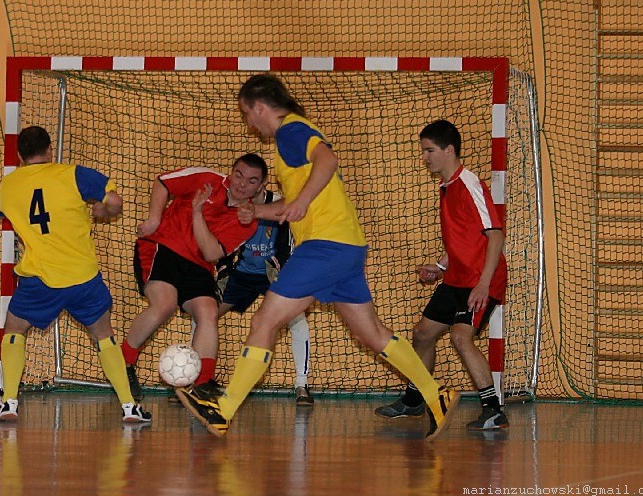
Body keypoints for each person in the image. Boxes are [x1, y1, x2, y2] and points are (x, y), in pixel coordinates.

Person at [177, 74, 459, 440]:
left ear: (260, 107)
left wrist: (302, 201)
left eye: (247, 113)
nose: (249, 123)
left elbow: (327, 160)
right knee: (372, 333)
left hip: (324, 246)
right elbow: (294, 202)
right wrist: (257, 212)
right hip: (346, 246)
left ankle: (223, 410)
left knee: (264, 321)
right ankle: (436, 394)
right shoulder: (294, 133)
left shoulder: (290, 131)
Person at [0, 125, 151, 423]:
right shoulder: (74, 174)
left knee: (14, 330)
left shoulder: (5, 187)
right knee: (104, 336)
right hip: (82, 277)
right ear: (50, 150)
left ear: (19, 156)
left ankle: (9, 403)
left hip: (39, 278)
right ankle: (129, 407)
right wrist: (102, 210)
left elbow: (0, 211)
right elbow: (115, 202)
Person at [375, 119, 509, 430]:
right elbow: (465, 239)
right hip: (456, 279)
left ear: (449, 150)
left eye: (429, 150)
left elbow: (495, 236)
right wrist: (441, 267)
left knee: (461, 337)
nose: (424, 157)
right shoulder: (446, 187)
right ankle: (414, 401)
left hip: (482, 280)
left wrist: (483, 285)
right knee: (422, 333)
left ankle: (493, 410)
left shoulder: (470, 185)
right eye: (423, 151)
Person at [120, 154, 267, 400]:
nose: (242, 184)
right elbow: (163, 182)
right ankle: (124, 362)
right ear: (231, 172)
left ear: (261, 186)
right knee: (165, 305)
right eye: (238, 175)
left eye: (252, 181)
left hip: (199, 263)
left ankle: (202, 383)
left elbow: (211, 253)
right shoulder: (206, 179)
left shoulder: (247, 221)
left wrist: (197, 213)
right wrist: (155, 218)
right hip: (163, 247)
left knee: (208, 312)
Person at [191, 186, 314, 406]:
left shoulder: (278, 204)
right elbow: (224, 245)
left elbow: (287, 246)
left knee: (297, 320)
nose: (246, 186)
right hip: (241, 274)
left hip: (272, 273)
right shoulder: (233, 204)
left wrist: (280, 271)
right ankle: (196, 381)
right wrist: (224, 272)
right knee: (203, 313)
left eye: (253, 181)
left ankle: (301, 385)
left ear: (263, 183)